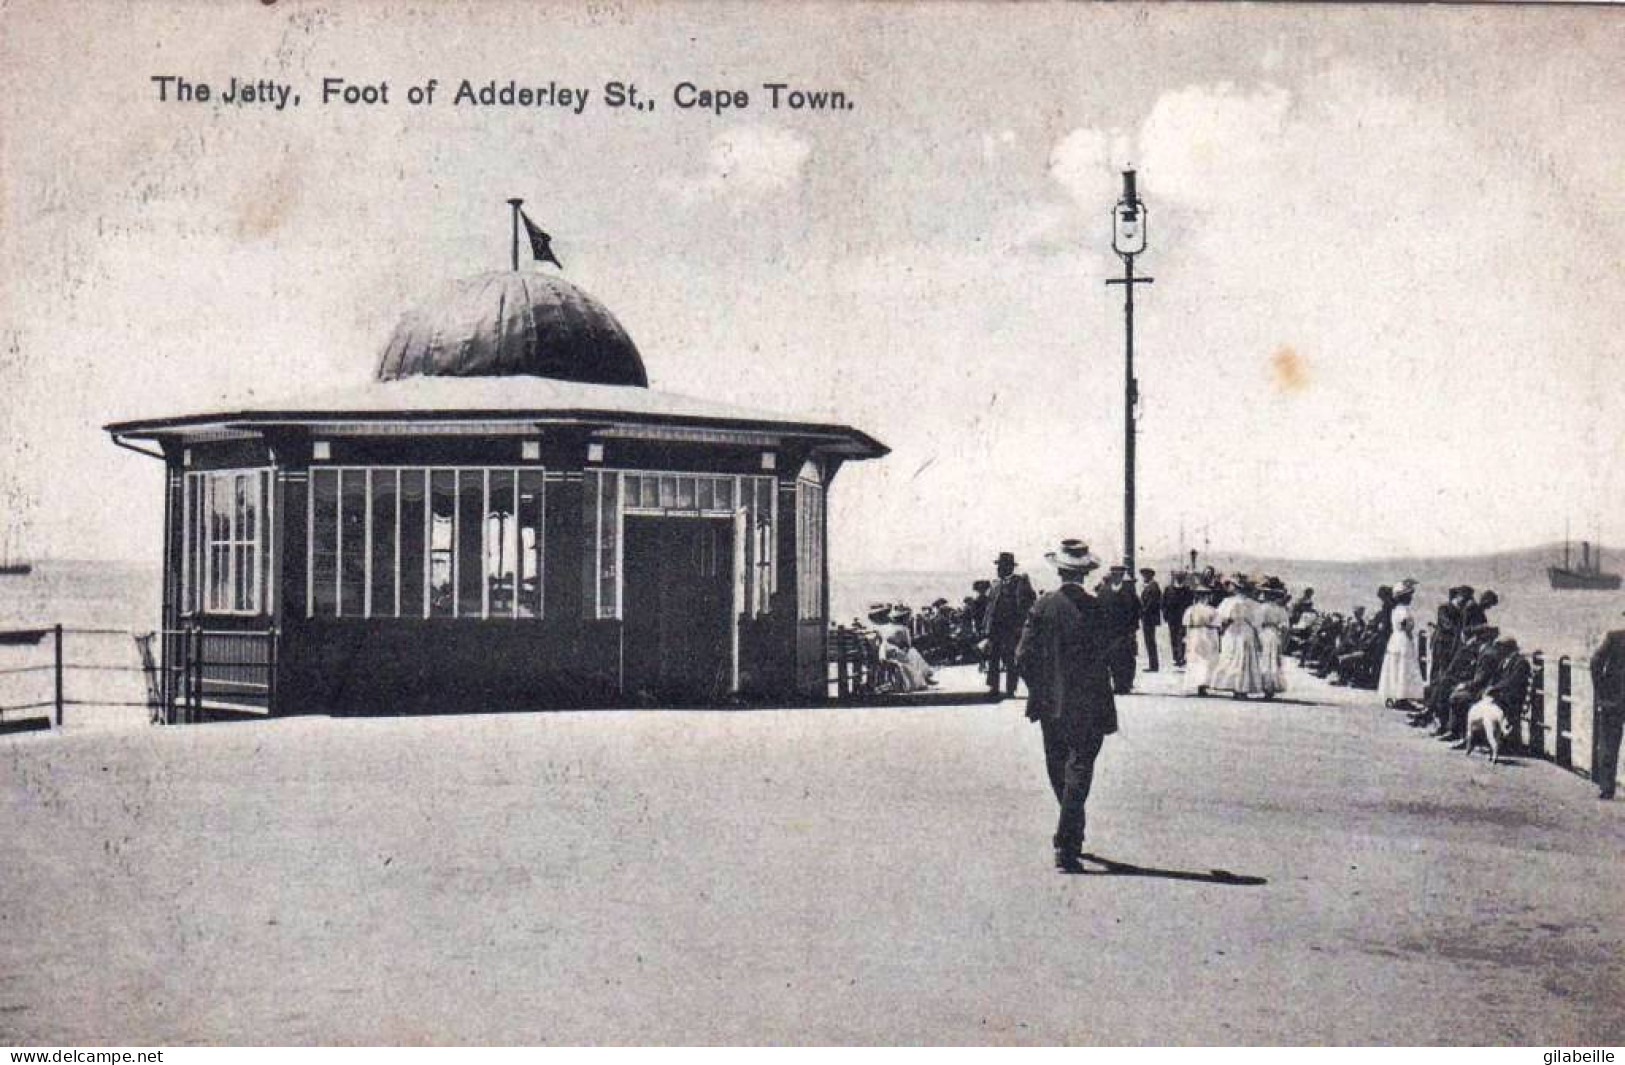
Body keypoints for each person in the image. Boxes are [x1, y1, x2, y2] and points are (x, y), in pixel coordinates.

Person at [1015, 539, 1118, 872]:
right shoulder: (1099, 607)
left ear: (1058, 571)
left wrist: (1040, 689)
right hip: (1090, 704)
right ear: (1086, 574)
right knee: (1080, 769)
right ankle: (1068, 839)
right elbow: (1111, 652)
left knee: (1058, 767)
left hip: (1051, 706)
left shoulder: (1043, 606)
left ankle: (1069, 832)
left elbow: (1022, 656)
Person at [981, 552, 1036, 697]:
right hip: (996, 628)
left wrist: (1022, 623)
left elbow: (1029, 601)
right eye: (998, 566)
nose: (998, 569)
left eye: (1001, 566)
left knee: (1010, 659)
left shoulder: (1020, 582)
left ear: (1009, 567)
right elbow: (990, 607)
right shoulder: (995, 584)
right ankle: (994, 687)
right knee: (993, 657)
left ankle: (1010, 689)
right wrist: (986, 627)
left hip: (1012, 628)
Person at [1209, 576, 1265, 698]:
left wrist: (1222, 628)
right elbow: (1257, 622)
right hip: (1246, 630)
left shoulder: (1228, 602)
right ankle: (1242, 688)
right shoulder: (1253, 604)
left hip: (1233, 630)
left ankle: (1234, 685)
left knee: (1232, 656)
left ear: (1236, 587)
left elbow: (1221, 618)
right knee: (1243, 658)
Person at [1589, 616, 1625, 800]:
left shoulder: (1614, 637)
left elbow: (1595, 662)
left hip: (1613, 700)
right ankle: (1607, 786)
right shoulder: (1615, 637)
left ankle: (1606, 787)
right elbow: (1595, 663)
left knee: (1608, 744)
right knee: (1608, 744)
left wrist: (1602, 691)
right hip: (1614, 700)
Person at [1378, 587, 1426, 709]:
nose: (1411, 598)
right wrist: (1410, 631)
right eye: (1409, 595)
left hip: (1395, 639)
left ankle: (1394, 695)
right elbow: (1405, 625)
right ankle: (1402, 697)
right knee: (1403, 668)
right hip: (1403, 640)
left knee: (1395, 668)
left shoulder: (1395, 609)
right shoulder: (1403, 609)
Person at [1097, 565, 1142, 694]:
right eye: (1114, 575)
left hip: (1125, 632)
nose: (1117, 577)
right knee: (1112, 658)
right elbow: (1099, 609)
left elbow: (1136, 610)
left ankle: (1124, 684)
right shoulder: (1104, 591)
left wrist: (1132, 628)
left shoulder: (1129, 592)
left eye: (1119, 575)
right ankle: (1117, 684)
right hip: (1108, 631)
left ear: (1122, 576)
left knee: (1126, 658)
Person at [1182, 584, 1223, 696]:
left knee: (1197, 659)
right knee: (1204, 660)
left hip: (1196, 634)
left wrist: (1187, 638)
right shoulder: (1211, 610)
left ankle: (1198, 683)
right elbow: (1216, 625)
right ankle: (1202, 684)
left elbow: (1187, 625)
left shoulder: (1191, 609)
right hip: (1207, 634)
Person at [1257, 586, 1290, 698]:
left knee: (1265, 659)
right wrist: (1283, 638)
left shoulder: (1262, 607)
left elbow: (1257, 623)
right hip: (1275, 634)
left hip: (1265, 632)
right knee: (1273, 659)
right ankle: (1270, 688)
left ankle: (1266, 685)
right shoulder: (1281, 609)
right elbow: (1285, 626)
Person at [1162, 571, 1194, 669]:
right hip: (1172, 618)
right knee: (1173, 637)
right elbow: (1163, 603)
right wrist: (1165, 615)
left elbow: (1190, 604)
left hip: (1183, 618)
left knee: (1182, 638)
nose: (1179, 579)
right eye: (1178, 577)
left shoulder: (1187, 590)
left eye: (1181, 577)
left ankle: (1181, 657)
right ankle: (1176, 657)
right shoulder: (1168, 589)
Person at [1138, 568, 1163, 673]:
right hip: (1148, 618)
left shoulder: (1153, 586)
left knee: (1150, 641)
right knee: (1149, 641)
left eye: (1145, 575)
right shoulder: (1151, 586)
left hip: (1149, 618)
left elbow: (1151, 603)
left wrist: (1142, 612)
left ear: (1150, 576)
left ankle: (1153, 666)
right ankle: (1153, 665)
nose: (1143, 577)